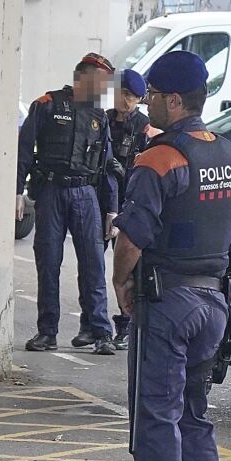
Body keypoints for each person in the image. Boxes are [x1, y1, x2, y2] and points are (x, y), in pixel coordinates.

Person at [104, 50, 231, 461]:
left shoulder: (160, 157)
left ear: (172, 99)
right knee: (193, 417)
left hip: (167, 304)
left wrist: (120, 283)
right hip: (213, 301)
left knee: (155, 421)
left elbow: (133, 236)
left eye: (152, 98)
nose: (146, 106)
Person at [17, 53, 118, 354]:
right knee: (48, 263)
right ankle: (47, 332)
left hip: (86, 194)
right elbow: (22, 151)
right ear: (82, 78)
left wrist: (111, 209)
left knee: (93, 265)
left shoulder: (100, 117)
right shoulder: (47, 105)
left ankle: (101, 332)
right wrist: (17, 192)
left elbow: (107, 166)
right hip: (50, 191)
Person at [106, 68, 154, 347]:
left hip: (129, 204)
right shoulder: (102, 119)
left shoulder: (143, 126)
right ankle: (97, 325)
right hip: (102, 201)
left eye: (133, 98)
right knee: (93, 270)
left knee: (128, 268)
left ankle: (128, 324)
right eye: (123, 95)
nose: (127, 103)